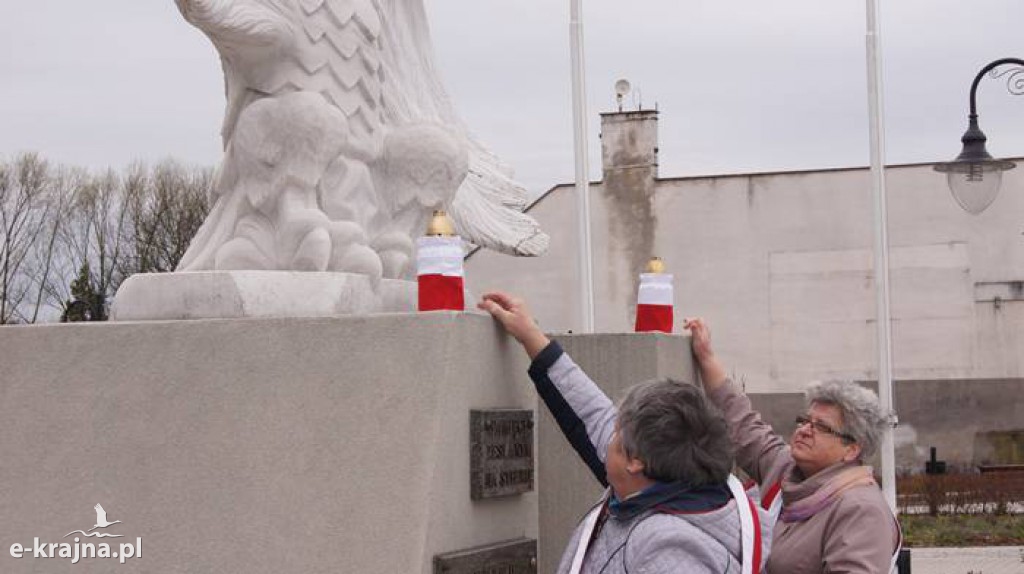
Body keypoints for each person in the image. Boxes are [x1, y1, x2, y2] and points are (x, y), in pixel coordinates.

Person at [479, 292, 770, 574]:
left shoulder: (669, 549)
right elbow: (591, 413)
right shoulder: (659, 480)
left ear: (636, 461)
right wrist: (531, 336)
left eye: (618, 432)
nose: (610, 435)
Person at [685, 317, 900, 573]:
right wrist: (707, 358)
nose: (805, 430)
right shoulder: (786, 468)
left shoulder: (860, 510)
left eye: (821, 427)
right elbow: (742, 426)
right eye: (805, 421)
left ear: (852, 449)